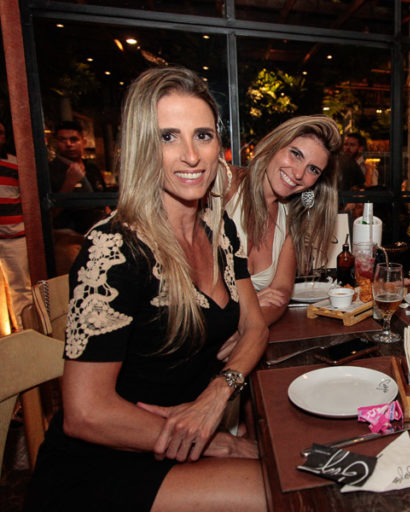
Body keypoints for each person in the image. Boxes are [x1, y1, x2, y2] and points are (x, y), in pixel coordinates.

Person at [26, 67, 268, 511]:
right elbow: (86, 413)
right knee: (277, 492)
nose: (191, 156)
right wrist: (217, 443)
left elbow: (256, 328)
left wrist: (218, 394)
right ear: (141, 148)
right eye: (168, 137)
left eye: (203, 135)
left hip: (184, 442)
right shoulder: (114, 249)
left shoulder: (220, 229)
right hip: (106, 463)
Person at [225, 115, 341, 325]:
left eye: (313, 169)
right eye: (295, 154)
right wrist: (244, 306)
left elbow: (279, 295)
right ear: (275, 144)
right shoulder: (226, 183)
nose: (298, 174)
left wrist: (248, 331)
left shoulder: (291, 220)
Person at [48, 120, 108, 232]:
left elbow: (104, 200)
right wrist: (69, 183)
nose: (69, 144)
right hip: (68, 236)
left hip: (99, 231)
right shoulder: (50, 170)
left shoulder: (91, 168)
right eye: (62, 140)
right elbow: (50, 214)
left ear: (84, 142)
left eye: (74, 139)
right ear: (56, 143)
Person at [0, 120, 31, 328]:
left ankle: (25, 335)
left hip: (15, 237)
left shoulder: (15, 163)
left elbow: (30, 200)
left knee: (21, 289)